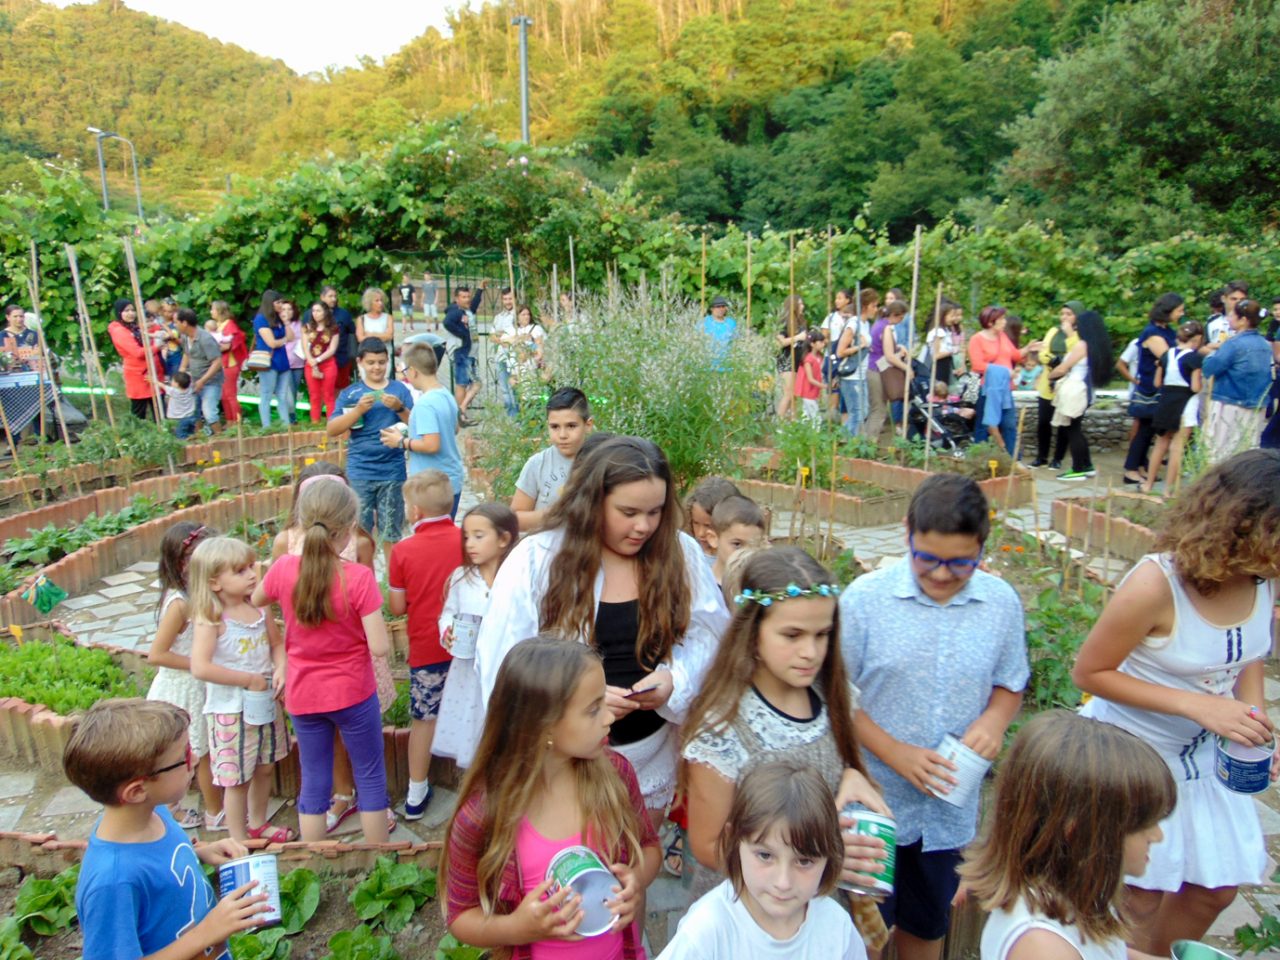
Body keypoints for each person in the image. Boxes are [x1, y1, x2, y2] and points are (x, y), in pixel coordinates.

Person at [1071, 449, 1280, 956]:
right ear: (1243, 527)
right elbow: (1089, 672)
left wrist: (1255, 717)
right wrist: (1199, 707)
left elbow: (1248, 653)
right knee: (1139, 894)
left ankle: (1156, 955)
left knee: (1215, 890)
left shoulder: (1262, 577)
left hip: (1203, 759)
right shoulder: (1156, 584)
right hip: (1135, 756)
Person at [476, 436, 731, 816]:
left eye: (655, 512)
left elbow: (709, 634)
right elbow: (504, 663)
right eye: (627, 512)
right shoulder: (536, 561)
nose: (644, 526)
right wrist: (575, 699)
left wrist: (674, 679)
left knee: (638, 860)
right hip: (563, 764)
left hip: (650, 755)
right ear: (591, 502)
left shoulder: (678, 553)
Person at [840, 474, 1029, 960]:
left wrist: (993, 722)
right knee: (862, 934)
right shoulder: (865, 601)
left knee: (927, 929)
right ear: (907, 533)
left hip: (947, 815)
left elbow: (1010, 683)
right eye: (928, 558)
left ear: (983, 546)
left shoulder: (1000, 603)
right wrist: (895, 753)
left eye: (961, 563)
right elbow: (837, 696)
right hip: (873, 806)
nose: (943, 574)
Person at [682, 548, 891, 953]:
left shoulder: (833, 698)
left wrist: (853, 775)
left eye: (822, 635)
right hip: (751, 919)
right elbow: (709, 845)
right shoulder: (722, 728)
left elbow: (839, 770)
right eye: (792, 635)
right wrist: (819, 861)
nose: (811, 652)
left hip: (821, 911)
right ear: (753, 632)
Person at [442, 637, 660, 958]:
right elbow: (460, 916)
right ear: (543, 725)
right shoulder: (483, 816)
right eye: (593, 709)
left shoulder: (616, 775)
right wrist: (517, 928)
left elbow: (649, 846)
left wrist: (635, 882)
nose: (609, 717)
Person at [960, 711, 1175, 960]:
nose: (1157, 836)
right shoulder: (1041, 947)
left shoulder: (1072, 897)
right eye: (1142, 825)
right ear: (1079, 832)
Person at [66, 699, 271, 960]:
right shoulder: (113, 881)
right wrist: (206, 933)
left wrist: (201, 852)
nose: (195, 758)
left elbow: (157, 856)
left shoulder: (154, 813)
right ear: (137, 791)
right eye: (183, 756)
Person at [255, 479, 391, 844]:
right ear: (349, 530)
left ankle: (314, 860)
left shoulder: (283, 568)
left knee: (313, 777)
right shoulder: (359, 578)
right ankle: (380, 859)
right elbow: (379, 647)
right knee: (370, 774)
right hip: (353, 692)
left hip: (303, 694)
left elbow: (256, 599)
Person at [658, 762, 868, 960]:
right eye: (765, 856)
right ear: (734, 839)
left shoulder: (837, 928)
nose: (783, 882)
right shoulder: (706, 931)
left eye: (804, 861)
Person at [188, 537, 293, 843]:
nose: (251, 574)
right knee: (237, 780)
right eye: (240, 570)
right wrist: (247, 679)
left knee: (264, 767)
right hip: (230, 713)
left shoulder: (258, 609)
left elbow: (276, 644)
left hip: (265, 704)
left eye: (251, 566)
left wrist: (281, 667)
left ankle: (257, 822)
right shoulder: (212, 618)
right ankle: (237, 839)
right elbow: (200, 667)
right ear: (214, 582)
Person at [387, 470, 463, 820]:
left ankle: (416, 791)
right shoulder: (468, 539)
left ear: (415, 511)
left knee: (424, 719)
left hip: (427, 648)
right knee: (475, 712)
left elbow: (398, 607)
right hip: (468, 647)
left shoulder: (403, 551)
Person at [145, 522, 225, 831]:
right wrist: (198, 661)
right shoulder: (179, 603)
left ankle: (182, 811)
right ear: (182, 563)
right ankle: (213, 813)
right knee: (199, 753)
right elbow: (157, 654)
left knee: (201, 752)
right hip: (183, 689)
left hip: (200, 683)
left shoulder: (197, 592)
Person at [435, 502, 520, 771]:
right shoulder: (462, 577)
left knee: (509, 735)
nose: (470, 543)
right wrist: (446, 632)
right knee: (474, 732)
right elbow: (448, 614)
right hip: (469, 673)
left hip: (510, 670)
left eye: (479, 536)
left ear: (504, 539)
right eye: (467, 537)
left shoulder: (519, 578)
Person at [329, 337, 414, 561]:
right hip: (360, 471)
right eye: (371, 362)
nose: (376, 367)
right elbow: (332, 429)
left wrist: (400, 407)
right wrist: (357, 411)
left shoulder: (399, 390)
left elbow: (416, 425)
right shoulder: (351, 393)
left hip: (392, 471)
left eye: (381, 362)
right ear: (360, 362)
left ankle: (392, 583)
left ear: (388, 362)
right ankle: (363, 580)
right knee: (359, 533)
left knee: (391, 532)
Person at [385, 341, 463, 515]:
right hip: (451, 479)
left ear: (413, 371)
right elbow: (455, 429)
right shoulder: (445, 394)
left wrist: (400, 441)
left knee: (433, 538)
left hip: (432, 488)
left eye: (406, 372)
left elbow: (431, 445)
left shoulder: (425, 404)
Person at [511, 386, 594, 532]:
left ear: (588, 425)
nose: (562, 435)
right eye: (555, 427)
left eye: (571, 426)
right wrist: (555, 515)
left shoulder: (601, 461)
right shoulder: (537, 464)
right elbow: (515, 519)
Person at [1200, 298, 1273, 462]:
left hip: (1229, 404)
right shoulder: (1264, 344)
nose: (1228, 318)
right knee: (1245, 455)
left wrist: (1210, 351)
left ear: (1243, 320)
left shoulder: (1233, 344)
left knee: (1219, 454)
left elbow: (1210, 369)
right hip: (1255, 406)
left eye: (1233, 315)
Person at [1122, 293, 1183, 484]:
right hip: (1151, 387)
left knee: (1149, 430)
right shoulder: (1153, 333)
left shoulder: (1167, 330)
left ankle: (1140, 466)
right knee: (1145, 429)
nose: (1182, 313)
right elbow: (1169, 358)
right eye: (1179, 310)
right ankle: (1131, 469)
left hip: (1160, 387)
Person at [1046, 309, 1111, 481]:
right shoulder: (1096, 345)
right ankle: (1086, 465)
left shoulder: (1082, 345)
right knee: (1076, 428)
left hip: (1074, 390)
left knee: (1071, 429)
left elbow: (1063, 367)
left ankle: (1077, 469)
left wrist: (1049, 376)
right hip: (1084, 389)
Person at [1142, 321, 1204, 495]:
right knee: (1177, 446)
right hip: (1186, 402)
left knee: (1160, 443)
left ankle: (1148, 484)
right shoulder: (1195, 358)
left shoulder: (1166, 355)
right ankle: (1169, 489)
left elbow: (1157, 382)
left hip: (1166, 401)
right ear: (1197, 339)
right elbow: (1194, 387)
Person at [109, 298, 163, 419]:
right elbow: (137, 353)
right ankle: (138, 436)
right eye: (126, 311)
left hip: (151, 372)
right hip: (138, 375)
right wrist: (156, 347)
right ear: (119, 313)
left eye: (132, 310)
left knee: (159, 410)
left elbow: (148, 332)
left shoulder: (132, 327)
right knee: (139, 413)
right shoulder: (120, 331)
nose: (130, 313)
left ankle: (162, 433)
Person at [443, 281, 487, 424]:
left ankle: (460, 412)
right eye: (463, 297)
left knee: (472, 383)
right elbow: (447, 323)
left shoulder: (467, 310)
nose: (467, 299)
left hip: (470, 353)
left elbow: (473, 305)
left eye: (468, 296)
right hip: (462, 353)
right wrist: (463, 334)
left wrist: (480, 290)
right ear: (457, 299)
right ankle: (459, 415)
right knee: (464, 384)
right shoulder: (455, 311)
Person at [175, 307, 224, 434]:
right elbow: (187, 354)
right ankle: (200, 439)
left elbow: (217, 362)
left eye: (177, 322)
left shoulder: (205, 339)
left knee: (209, 412)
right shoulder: (185, 337)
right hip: (194, 380)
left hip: (210, 381)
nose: (175, 325)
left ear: (184, 323)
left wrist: (202, 381)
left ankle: (220, 439)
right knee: (193, 412)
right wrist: (182, 370)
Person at [251, 290, 295, 428]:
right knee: (266, 395)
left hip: (283, 361)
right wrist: (283, 340)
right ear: (270, 303)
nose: (281, 305)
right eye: (278, 302)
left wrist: (286, 322)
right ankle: (267, 427)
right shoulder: (260, 319)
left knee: (282, 395)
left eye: (282, 302)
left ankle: (285, 426)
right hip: (269, 362)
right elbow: (271, 343)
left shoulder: (278, 318)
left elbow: (291, 337)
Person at [706, 495, 766, 587]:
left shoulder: (761, 587)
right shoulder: (701, 587)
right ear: (713, 539)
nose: (746, 553)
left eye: (754, 545)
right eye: (737, 544)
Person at [835, 295, 871, 436]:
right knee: (856, 412)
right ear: (865, 306)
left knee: (864, 411)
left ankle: (842, 438)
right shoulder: (853, 324)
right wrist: (860, 347)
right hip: (851, 374)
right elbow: (840, 351)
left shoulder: (865, 324)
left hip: (861, 373)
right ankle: (846, 444)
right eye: (874, 305)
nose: (876, 309)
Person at [686, 476, 742, 563]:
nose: (701, 533)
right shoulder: (689, 551)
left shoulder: (736, 558)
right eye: (695, 523)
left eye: (709, 526)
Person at [300, 300, 340, 422]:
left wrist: (318, 359)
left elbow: (332, 349)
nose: (315, 313)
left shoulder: (333, 328)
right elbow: (304, 346)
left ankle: (331, 422)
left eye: (318, 311)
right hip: (310, 364)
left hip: (328, 364)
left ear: (325, 312)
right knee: (314, 395)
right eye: (313, 311)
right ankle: (315, 422)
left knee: (328, 395)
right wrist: (311, 360)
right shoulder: (307, 327)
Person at [211, 301, 247, 423]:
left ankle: (237, 421)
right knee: (224, 396)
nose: (211, 312)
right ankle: (229, 420)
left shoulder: (229, 325)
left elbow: (228, 346)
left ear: (220, 311)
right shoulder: (218, 324)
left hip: (229, 364)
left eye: (213, 309)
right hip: (222, 364)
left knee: (230, 395)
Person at [775, 295, 806, 419]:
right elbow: (780, 342)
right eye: (800, 304)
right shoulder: (784, 322)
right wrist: (798, 337)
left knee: (794, 395)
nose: (803, 306)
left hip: (798, 360)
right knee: (788, 393)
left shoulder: (801, 321)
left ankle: (793, 423)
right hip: (787, 360)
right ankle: (778, 423)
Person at [321, 285, 358, 390]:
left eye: (335, 296)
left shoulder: (344, 314)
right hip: (320, 360)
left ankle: (338, 407)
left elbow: (352, 332)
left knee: (341, 389)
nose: (334, 299)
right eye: (330, 296)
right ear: (322, 297)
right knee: (322, 390)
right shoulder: (312, 314)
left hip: (341, 358)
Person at [280, 299, 306, 423]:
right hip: (285, 363)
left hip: (298, 362)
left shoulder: (299, 324)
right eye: (284, 309)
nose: (287, 312)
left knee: (294, 390)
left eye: (289, 309)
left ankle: (292, 415)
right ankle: (290, 417)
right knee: (288, 390)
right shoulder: (279, 324)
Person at [795, 329, 825, 422]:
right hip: (808, 391)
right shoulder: (808, 359)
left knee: (806, 416)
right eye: (820, 342)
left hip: (813, 391)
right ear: (812, 344)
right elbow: (810, 379)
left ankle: (800, 434)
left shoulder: (819, 357)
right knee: (817, 419)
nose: (823, 344)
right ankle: (816, 435)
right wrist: (825, 386)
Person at [356, 287, 394, 360]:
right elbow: (360, 338)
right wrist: (382, 335)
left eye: (381, 300)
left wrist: (371, 334)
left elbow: (389, 336)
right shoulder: (361, 319)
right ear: (370, 302)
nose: (380, 303)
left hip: (385, 357)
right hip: (366, 357)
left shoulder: (388, 318)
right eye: (377, 301)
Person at [703, 295, 738, 370]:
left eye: (723, 306)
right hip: (707, 366)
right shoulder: (704, 322)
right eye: (718, 306)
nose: (721, 309)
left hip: (727, 366)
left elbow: (737, 341)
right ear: (712, 309)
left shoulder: (731, 323)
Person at [161, 371, 198, 439]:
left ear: (177, 384)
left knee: (181, 437)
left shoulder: (173, 391)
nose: (171, 382)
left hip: (179, 419)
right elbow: (191, 379)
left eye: (172, 381)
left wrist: (153, 381)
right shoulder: (190, 389)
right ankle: (195, 446)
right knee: (191, 435)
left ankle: (187, 448)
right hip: (190, 416)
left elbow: (162, 386)